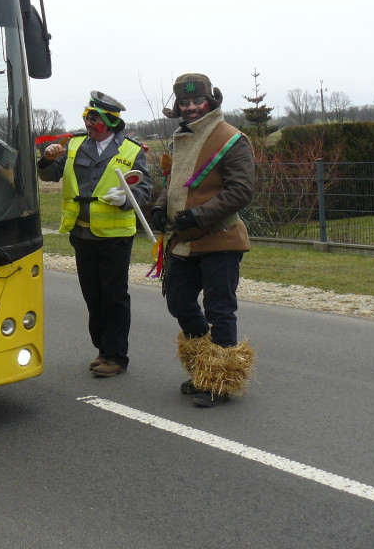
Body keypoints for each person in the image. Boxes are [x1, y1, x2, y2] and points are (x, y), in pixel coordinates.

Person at [149, 73, 256, 408]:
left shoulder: (232, 138)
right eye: (185, 102)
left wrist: (199, 215)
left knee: (220, 309)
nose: (192, 107)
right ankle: (204, 368)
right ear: (178, 106)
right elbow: (175, 184)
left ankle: (218, 382)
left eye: (198, 101)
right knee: (178, 302)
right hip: (184, 242)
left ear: (211, 101)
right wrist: (159, 207)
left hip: (220, 239)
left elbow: (241, 190)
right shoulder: (182, 138)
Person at [38, 91, 151, 377]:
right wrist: (47, 159)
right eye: (87, 117)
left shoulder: (132, 150)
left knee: (114, 296)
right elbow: (51, 175)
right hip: (82, 234)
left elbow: (144, 190)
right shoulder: (74, 145)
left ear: (111, 123)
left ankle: (116, 356)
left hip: (114, 237)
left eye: (95, 119)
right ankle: (102, 350)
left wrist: (125, 198)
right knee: (93, 296)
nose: (89, 124)